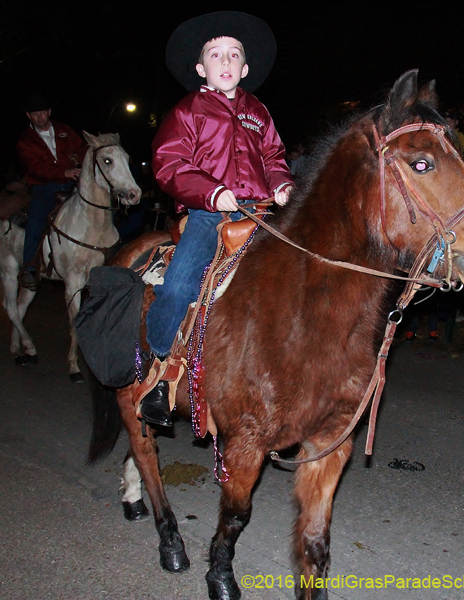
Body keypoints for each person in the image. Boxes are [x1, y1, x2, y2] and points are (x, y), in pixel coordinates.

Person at [138, 11, 293, 427]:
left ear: (245, 68)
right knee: (178, 286)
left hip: (261, 214)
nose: (225, 62)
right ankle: (159, 370)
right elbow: (168, 163)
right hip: (209, 215)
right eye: (215, 54)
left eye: (233, 55)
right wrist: (213, 193)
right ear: (200, 67)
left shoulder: (258, 110)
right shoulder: (188, 110)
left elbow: (274, 156)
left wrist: (281, 184)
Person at [16, 94, 87, 290]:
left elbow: (81, 148)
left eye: (42, 113)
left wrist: (80, 163)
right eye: (35, 114)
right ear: (28, 116)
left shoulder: (65, 130)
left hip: (72, 183)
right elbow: (35, 168)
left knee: (99, 206)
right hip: (44, 187)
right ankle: (29, 266)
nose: (40, 117)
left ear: (49, 112)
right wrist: (63, 171)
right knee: (37, 220)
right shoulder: (25, 141)